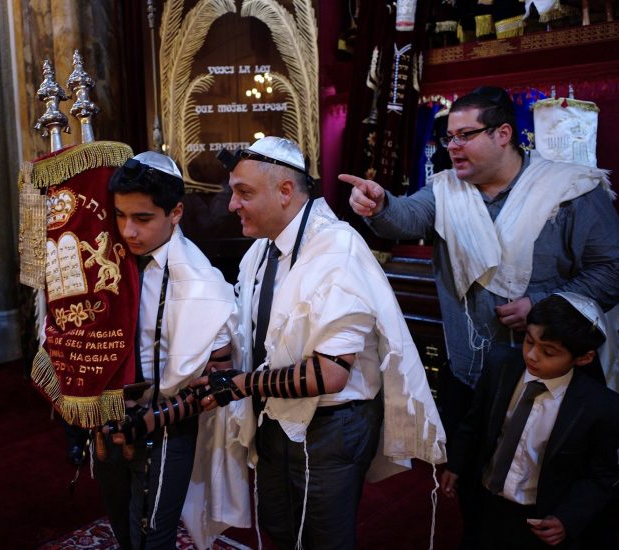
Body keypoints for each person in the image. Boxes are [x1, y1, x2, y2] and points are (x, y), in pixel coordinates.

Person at [194, 136, 445, 549]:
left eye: (244, 193)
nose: (231, 205)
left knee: (322, 540)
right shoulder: (262, 250)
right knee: (280, 529)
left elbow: (329, 374)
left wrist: (239, 385)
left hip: (330, 426)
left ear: (285, 191)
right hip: (275, 414)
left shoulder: (337, 251)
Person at [342, 86, 619, 443]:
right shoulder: (446, 190)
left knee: (543, 484)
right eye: (449, 137)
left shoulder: (570, 190)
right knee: (469, 480)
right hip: (469, 372)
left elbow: (612, 269)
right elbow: (407, 218)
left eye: (465, 135)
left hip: (553, 374)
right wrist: (380, 206)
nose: (453, 146)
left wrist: (543, 304)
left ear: (502, 134)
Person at [94, 151, 239, 550]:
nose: (128, 230)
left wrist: (149, 420)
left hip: (168, 425)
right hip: (107, 419)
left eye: (142, 218)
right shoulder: (107, 261)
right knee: (122, 527)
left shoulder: (202, 284)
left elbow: (216, 384)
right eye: (120, 216)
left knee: (153, 536)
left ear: (175, 213)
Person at [440, 294, 619, 549]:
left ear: (584, 358)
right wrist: (456, 465)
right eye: (528, 341)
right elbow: (475, 422)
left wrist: (566, 519)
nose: (532, 356)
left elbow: (601, 475)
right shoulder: (500, 365)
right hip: (484, 500)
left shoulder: (600, 406)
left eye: (548, 351)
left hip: (539, 516)